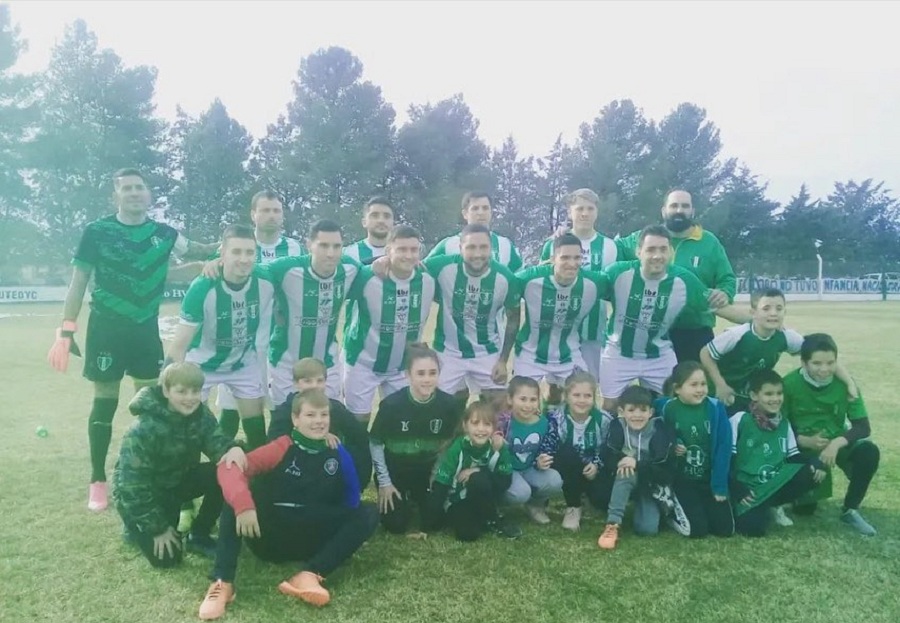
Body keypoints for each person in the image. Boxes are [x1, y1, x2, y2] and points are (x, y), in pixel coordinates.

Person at [47, 167, 218, 511]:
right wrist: (66, 329)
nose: (134, 193)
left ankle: (160, 475)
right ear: (116, 196)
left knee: (154, 405)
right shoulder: (97, 231)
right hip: (106, 328)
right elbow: (79, 281)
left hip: (144, 330)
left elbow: (197, 250)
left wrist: (234, 242)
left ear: (149, 194)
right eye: (126, 188)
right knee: (105, 403)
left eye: (139, 187)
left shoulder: (165, 234)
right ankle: (98, 480)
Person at [198, 389, 378, 619]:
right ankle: (222, 582)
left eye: (324, 415)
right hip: (271, 538)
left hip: (312, 538)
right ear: (295, 419)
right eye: (310, 415)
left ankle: (310, 574)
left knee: (368, 512)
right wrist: (244, 506)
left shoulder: (337, 452)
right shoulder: (281, 446)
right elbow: (229, 468)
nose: (319, 421)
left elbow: (350, 502)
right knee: (235, 498)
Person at [113, 363, 247, 568]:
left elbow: (216, 441)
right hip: (148, 496)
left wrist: (232, 448)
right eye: (181, 391)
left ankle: (199, 534)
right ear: (166, 391)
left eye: (195, 391)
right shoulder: (143, 429)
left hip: (178, 483)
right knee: (167, 559)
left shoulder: (200, 415)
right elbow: (131, 486)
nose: (190, 398)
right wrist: (157, 528)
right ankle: (134, 526)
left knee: (226, 469)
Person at [598, 225, 732, 412]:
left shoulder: (684, 280)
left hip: (659, 354)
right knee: (610, 406)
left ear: (670, 252)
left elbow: (719, 308)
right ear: (638, 252)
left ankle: (660, 431)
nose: (657, 255)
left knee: (671, 405)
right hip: (618, 352)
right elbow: (585, 286)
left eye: (663, 249)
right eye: (651, 249)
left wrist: (757, 319)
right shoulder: (617, 273)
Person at [167, 225, 275, 450]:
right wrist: (166, 386)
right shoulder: (202, 287)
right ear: (222, 253)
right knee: (190, 427)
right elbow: (179, 345)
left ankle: (258, 472)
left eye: (249, 252)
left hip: (242, 363)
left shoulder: (266, 279)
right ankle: (191, 470)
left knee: (256, 427)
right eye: (236, 252)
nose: (244, 259)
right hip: (201, 365)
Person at [216, 190, 304, 441]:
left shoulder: (294, 248)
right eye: (265, 210)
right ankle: (220, 459)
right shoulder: (239, 245)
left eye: (276, 210)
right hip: (241, 340)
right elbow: (215, 271)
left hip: (281, 343)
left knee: (279, 407)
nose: (271, 215)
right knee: (231, 410)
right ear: (253, 214)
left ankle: (274, 459)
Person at [615, 189, 738, 363]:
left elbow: (727, 279)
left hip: (694, 332)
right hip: (651, 332)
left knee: (696, 381)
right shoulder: (646, 238)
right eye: (674, 206)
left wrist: (725, 292)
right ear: (663, 211)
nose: (679, 210)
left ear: (692, 211)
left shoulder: (709, 242)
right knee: (655, 382)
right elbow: (610, 249)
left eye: (685, 206)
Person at [701, 288, 858, 415]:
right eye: (766, 308)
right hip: (721, 396)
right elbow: (705, 353)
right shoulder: (737, 335)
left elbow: (820, 354)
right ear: (753, 313)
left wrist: (849, 383)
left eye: (779, 308)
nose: (773, 313)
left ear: (785, 312)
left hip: (753, 400)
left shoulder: (786, 337)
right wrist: (720, 385)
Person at [783, 333, 879, 536]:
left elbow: (863, 427)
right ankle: (797, 492)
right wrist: (803, 440)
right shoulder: (788, 384)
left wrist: (835, 444)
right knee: (805, 511)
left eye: (830, 363)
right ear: (804, 363)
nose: (824, 369)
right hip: (804, 448)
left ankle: (850, 509)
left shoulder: (846, 384)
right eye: (817, 363)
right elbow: (779, 425)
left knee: (869, 452)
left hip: (836, 443)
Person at [342, 225, 436, 422]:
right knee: (357, 421)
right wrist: (374, 262)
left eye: (414, 250)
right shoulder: (366, 276)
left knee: (400, 421)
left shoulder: (428, 279)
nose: (408, 255)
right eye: (401, 249)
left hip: (401, 366)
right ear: (388, 250)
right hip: (362, 363)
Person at [369, 344, 462, 535]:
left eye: (432, 373)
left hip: (427, 471)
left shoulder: (449, 405)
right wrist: (385, 482)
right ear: (408, 375)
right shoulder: (392, 405)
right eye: (420, 373)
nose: (427, 379)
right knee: (396, 525)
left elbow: (451, 442)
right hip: (396, 471)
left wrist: (438, 474)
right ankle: (402, 499)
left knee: (434, 523)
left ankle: (419, 498)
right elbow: (375, 443)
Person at [267, 219, 362, 405]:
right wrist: (215, 261)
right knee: (284, 416)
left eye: (337, 246)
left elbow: (374, 273)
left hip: (326, 362)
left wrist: (383, 261)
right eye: (323, 246)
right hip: (286, 362)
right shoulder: (285, 269)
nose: (331, 253)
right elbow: (251, 273)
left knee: (329, 415)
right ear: (309, 245)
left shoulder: (350, 269)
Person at [425, 224, 521, 405]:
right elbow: (411, 266)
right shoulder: (442, 266)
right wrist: (382, 261)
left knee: (500, 406)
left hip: (487, 352)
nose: (477, 254)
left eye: (483, 247)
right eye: (471, 247)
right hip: (447, 351)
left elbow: (514, 319)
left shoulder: (505, 278)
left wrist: (503, 360)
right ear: (460, 248)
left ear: (491, 248)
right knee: (435, 405)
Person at [729, 369, 824, 537]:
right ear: (754, 395)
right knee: (753, 530)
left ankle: (771, 504)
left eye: (779, 393)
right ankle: (757, 507)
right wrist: (737, 489)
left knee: (811, 471)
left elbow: (794, 458)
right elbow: (726, 458)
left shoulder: (784, 423)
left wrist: (815, 462)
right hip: (747, 485)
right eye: (768, 394)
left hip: (772, 482)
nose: (775, 399)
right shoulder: (740, 419)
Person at [514, 233, 605, 408]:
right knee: (523, 407)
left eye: (577, 258)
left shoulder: (594, 282)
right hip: (530, 353)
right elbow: (506, 285)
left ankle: (560, 422)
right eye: (565, 258)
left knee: (584, 402)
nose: (572, 263)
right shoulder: (530, 279)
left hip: (569, 354)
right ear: (552, 259)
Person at [539, 188, 620, 380]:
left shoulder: (610, 246)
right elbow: (542, 284)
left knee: (587, 385)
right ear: (570, 212)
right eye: (579, 208)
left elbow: (613, 287)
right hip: (558, 330)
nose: (585, 213)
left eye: (590, 208)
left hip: (593, 330)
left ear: (597, 212)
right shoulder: (553, 244)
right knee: (556, 388)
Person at [657, 362, 734, 539]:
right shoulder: (667, 407)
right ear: (677, 389)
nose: (700, 389)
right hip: (682, 480)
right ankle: (670, 514)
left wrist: (719, 486)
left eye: (703, 384)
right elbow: (659, 432)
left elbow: (723, 447)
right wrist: (674, 443)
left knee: (724, 530)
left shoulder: (715, 408)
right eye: (693, 385)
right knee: (697, 530)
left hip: (708, 479)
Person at [269, 358, 372, 489]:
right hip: (295, 477)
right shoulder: (284, 411)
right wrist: (316, 435)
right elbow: (273, 444)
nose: (314, 386)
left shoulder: (336, 408)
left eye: (319, 381)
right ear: (296, 383)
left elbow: (360, 438)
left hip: (329, 476)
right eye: (308, 381)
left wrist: (360, 483)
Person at [598, 386, 677, 550]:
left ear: (651, 412)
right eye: (631, 410)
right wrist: (624, 460)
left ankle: (660, 510)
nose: (637, 415)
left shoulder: (658, 428)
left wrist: (637, 463)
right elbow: (609, 455)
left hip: (651, 482)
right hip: (626, 478)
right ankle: (612, 524)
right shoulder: (617, 426)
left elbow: (663, 465)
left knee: (647, 529)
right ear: (622, 411)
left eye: (643, 410)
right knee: (625, 470)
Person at [430, 401, 521, 541]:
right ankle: (479, 519)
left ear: (493, 428)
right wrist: (428, 523)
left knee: (478, 479)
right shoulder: (457, 448)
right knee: (467, 535)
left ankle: (494, 519)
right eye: (475, 423)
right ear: (465, 426)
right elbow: (441, 484)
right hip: (459, 499)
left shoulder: (498, 446)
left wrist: (477, 471)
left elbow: (505, 481)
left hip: (486, 495)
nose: (481, 429)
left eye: (487, 424)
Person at [538, 372, 614, 531]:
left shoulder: (605, 420)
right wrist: (542, 458)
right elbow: (550, 446)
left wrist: (597, 464)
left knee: (603, 500)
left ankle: (588, 496)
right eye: (576, 395)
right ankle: (573, 506)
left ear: (594, 398)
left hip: (592, 470)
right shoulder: (556, 418)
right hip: (567, 469)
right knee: (566, 451)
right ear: (567, 396)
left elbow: (609, 448)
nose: (582, 400)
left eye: (587, 396)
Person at [493, 376, 563, 524]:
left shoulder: (545, 423)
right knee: (521, 493)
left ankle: (535, 505)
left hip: (529, 468)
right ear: (510, 399)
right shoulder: (503, 422)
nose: (528, 405)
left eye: (533, 400)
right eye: (523, 399)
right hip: (507, 470)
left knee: (555, 480)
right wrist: (495, 443)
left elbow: (546, 448)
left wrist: (541, 460)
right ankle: (495, 503)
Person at [427, 191, 523, 271]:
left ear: (491, 212)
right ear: (465, 214)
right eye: (475, 208)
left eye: (485, 208)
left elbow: (519, 278)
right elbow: (424, 270)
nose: (481, 212)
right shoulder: (447, 245)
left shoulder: (505, 245)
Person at [342, 196, 394, 264]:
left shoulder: (405, 252)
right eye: (375, 215)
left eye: (387, 216)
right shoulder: (350, 253)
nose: (381, 220)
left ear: (393, 222)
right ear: (364, 222)